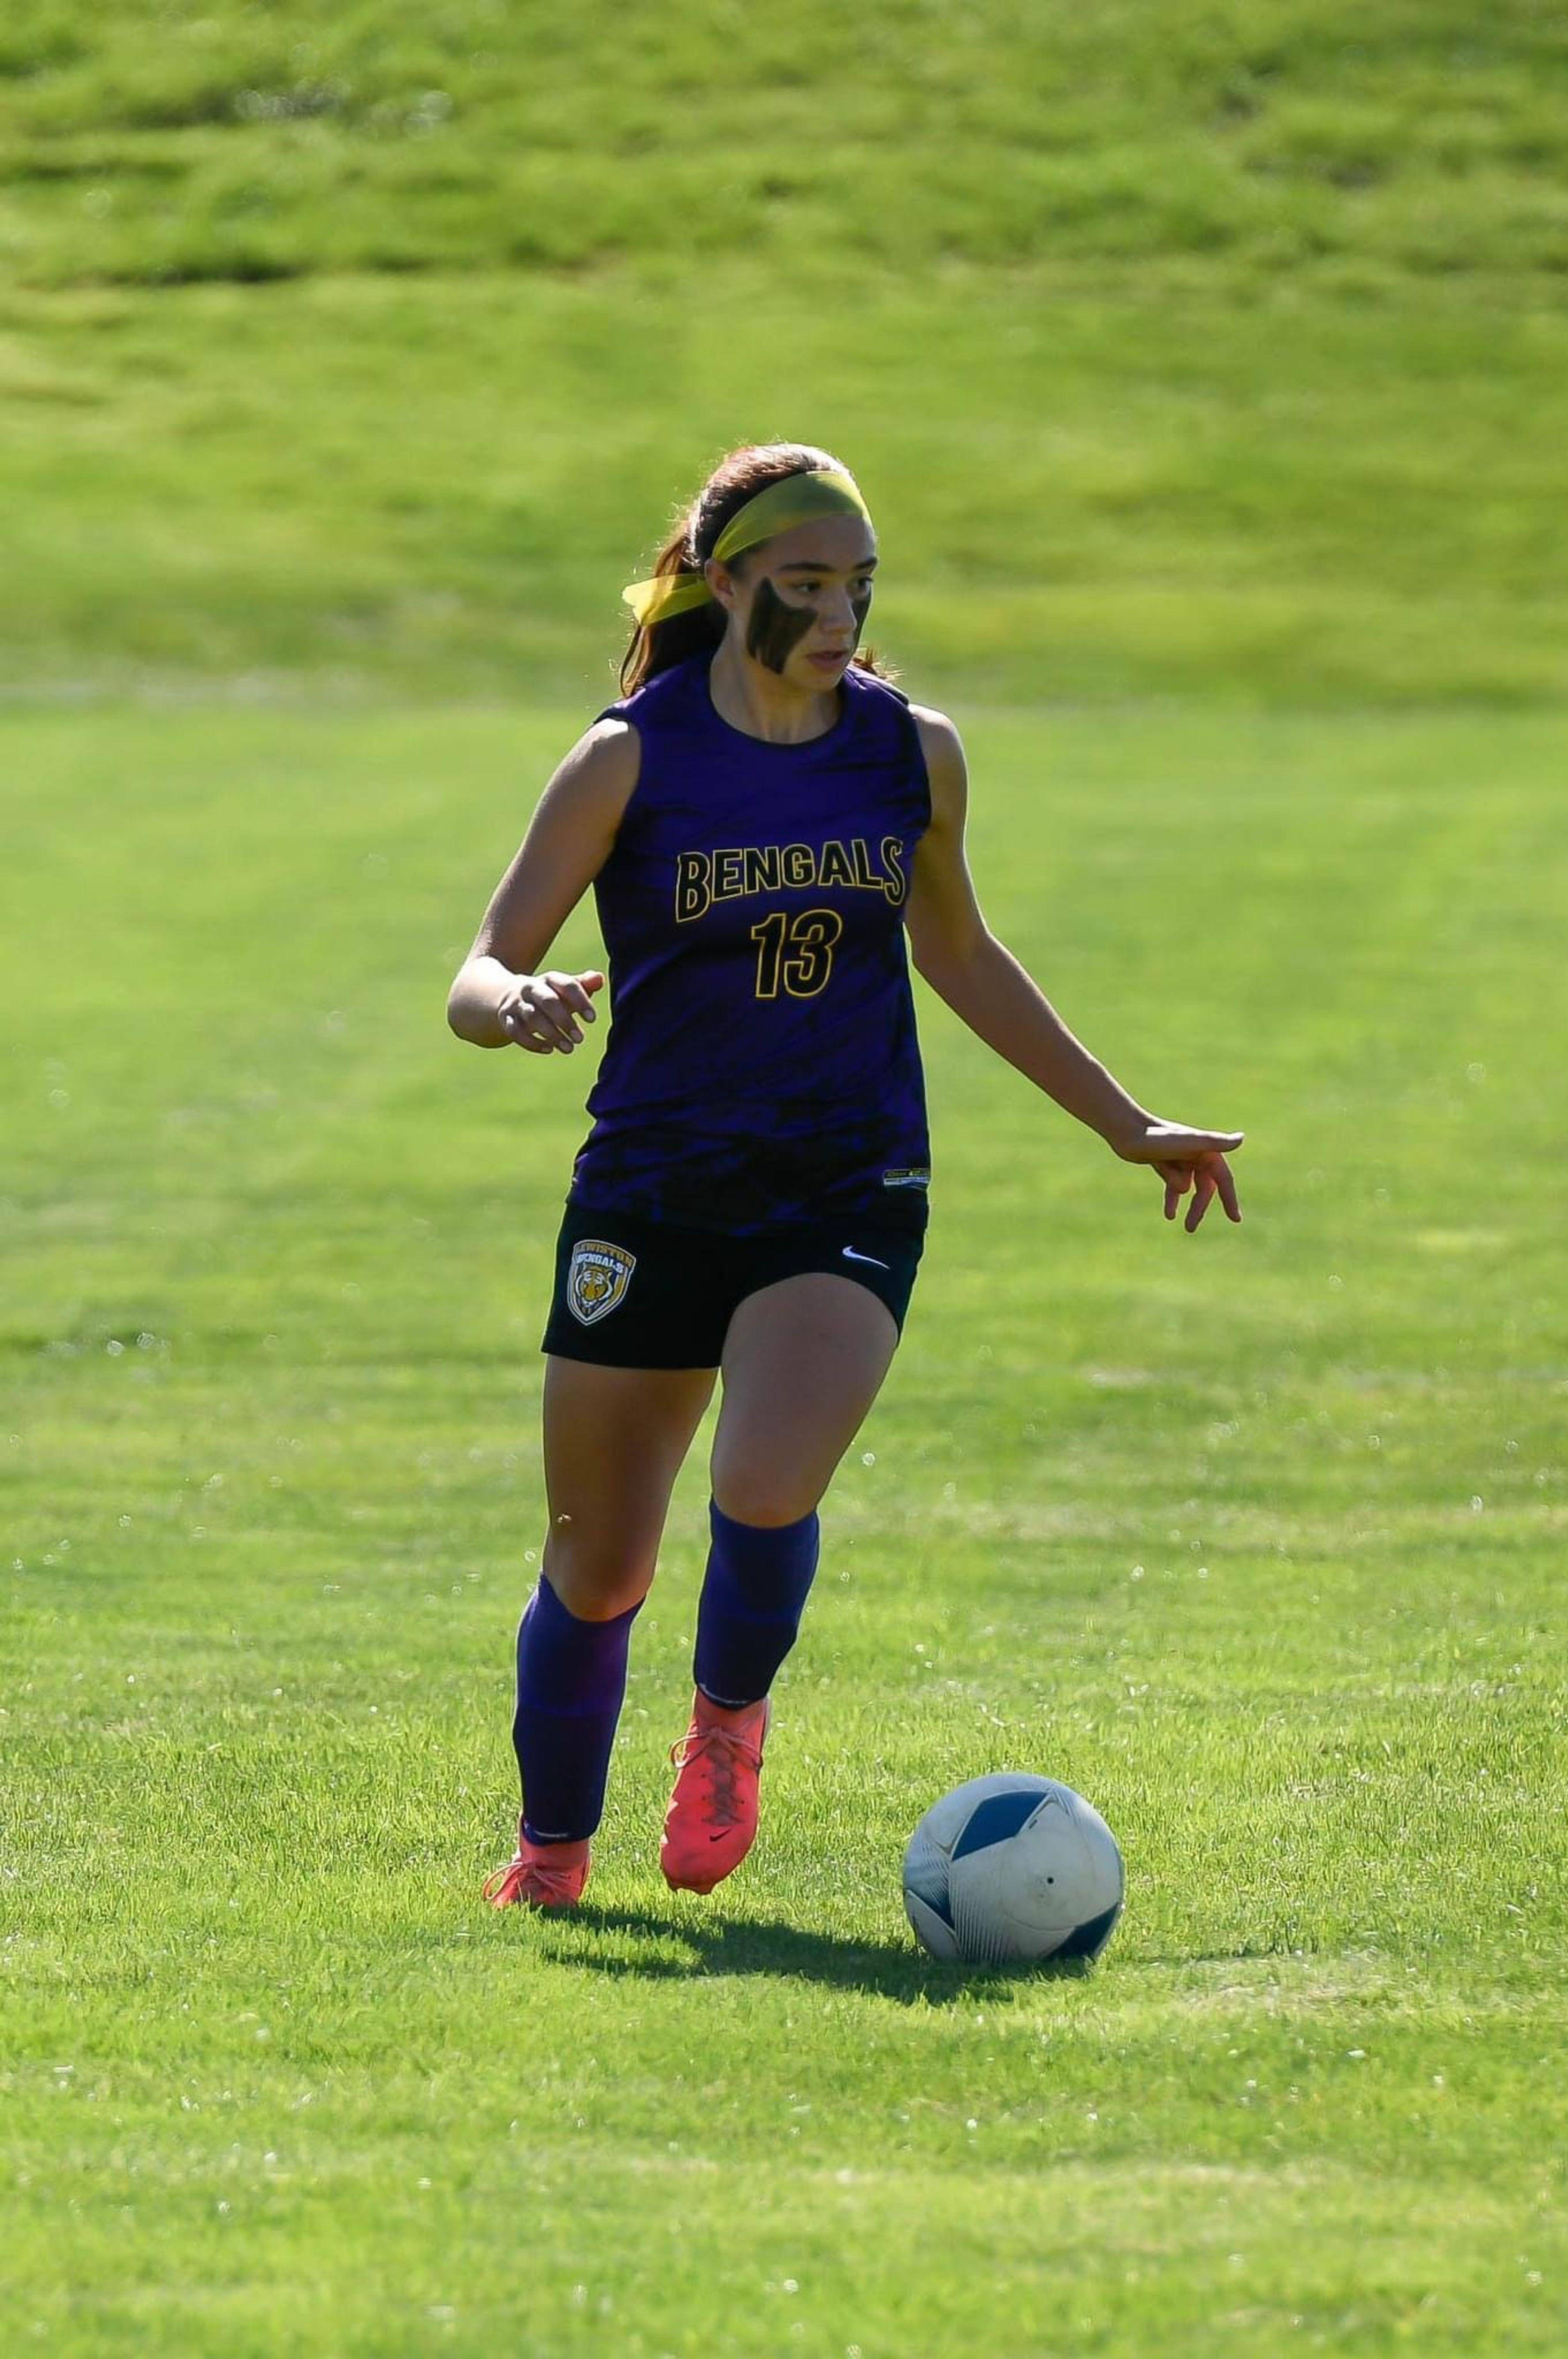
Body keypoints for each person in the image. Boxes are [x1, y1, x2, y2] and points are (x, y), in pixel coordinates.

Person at [447, 442, 1242, 1910]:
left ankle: (726, 1730)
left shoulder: (908, 750)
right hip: (654, 1188)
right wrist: (520, 1001)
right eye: (805, 585)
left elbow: (959, 953)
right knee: (598, 1566)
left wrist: (1125, 1123)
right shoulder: (630, 755)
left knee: (762, 1479)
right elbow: (477, 967)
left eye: (859, 586)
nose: (837, 615)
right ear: (726, 580)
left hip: (847, 1181)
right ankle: (553, 1855)